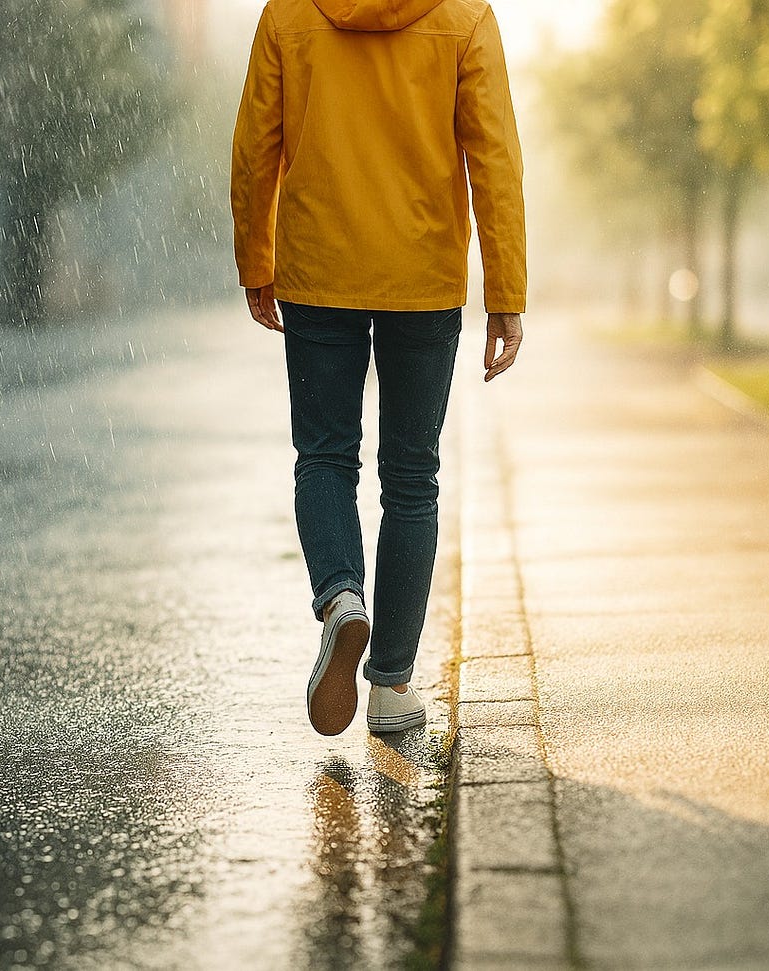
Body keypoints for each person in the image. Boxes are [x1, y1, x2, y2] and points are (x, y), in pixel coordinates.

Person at [231, 0, 526, 737]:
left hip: (318, 268)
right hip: (422, 276)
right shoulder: (464, 16)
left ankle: (340, 597)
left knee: (326, 455)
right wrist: (506, 292)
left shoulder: (289, 14)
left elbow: (254, 147)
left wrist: (256, 262)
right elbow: (493, 155)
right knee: (412, 474)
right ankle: (391, 684)